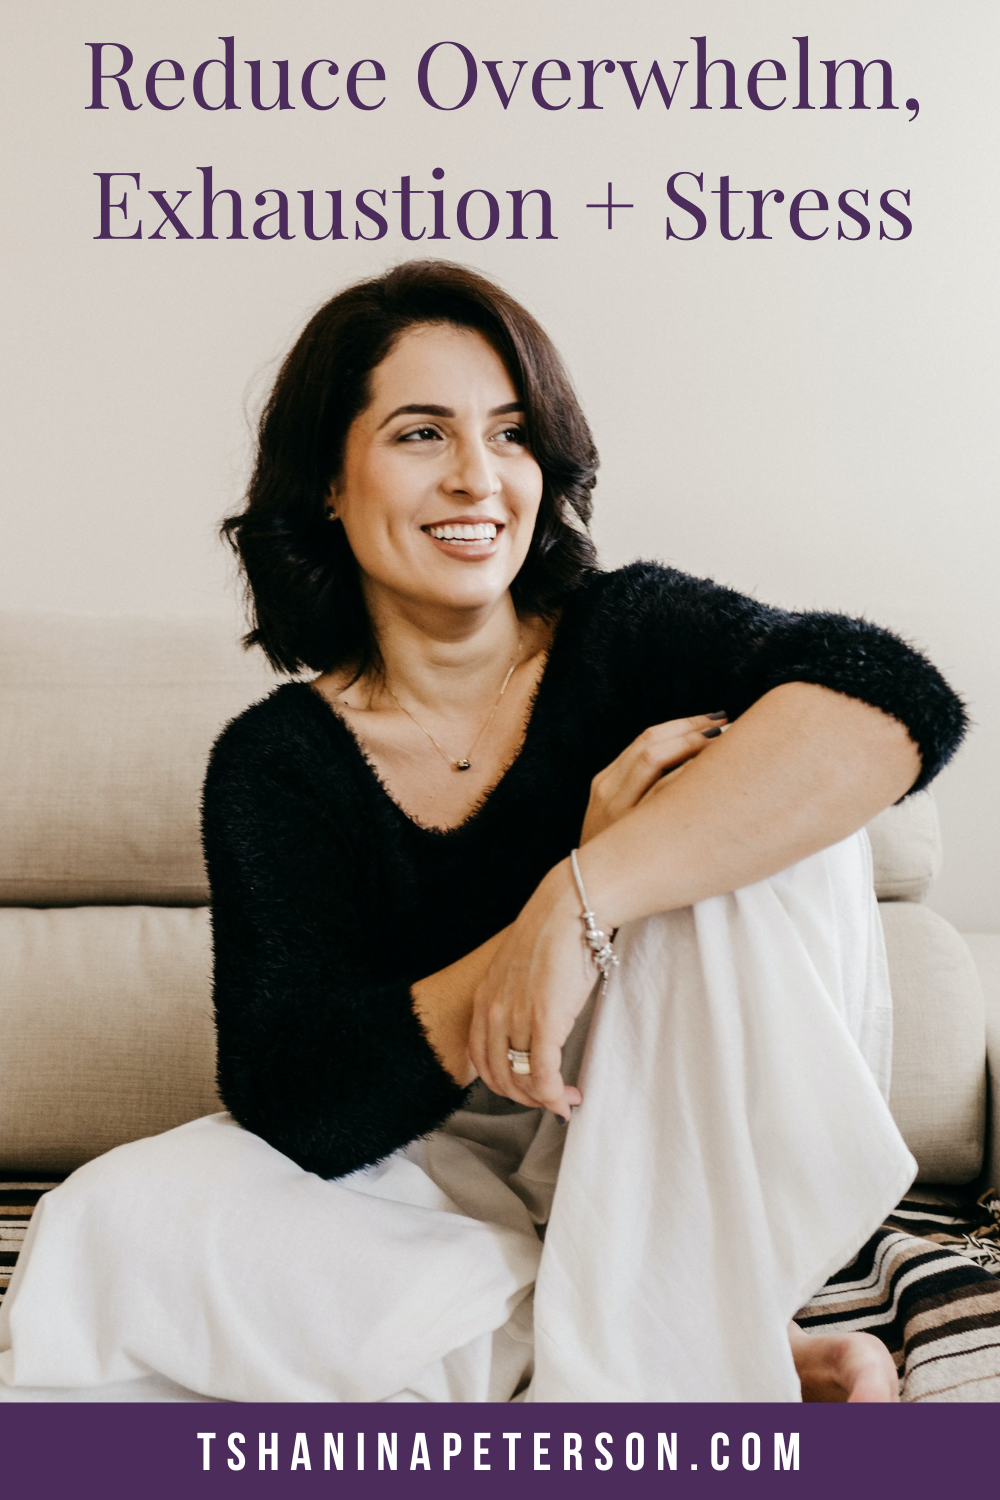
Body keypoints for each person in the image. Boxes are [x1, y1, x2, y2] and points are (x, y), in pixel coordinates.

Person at [0, 261, 967, 1404]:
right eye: (421, 433)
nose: (478, 476)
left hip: (679, 1123)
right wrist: (522, 948)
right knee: (108, 1230)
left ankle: (642, 1349)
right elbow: (299, 1097)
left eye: (511, 435)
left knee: (744, 797)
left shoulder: (632, 630)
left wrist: (591, 891)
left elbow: (897, 699)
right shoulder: (277, 762)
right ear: (326, 481)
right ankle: (688, 1351)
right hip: (459, 1172)